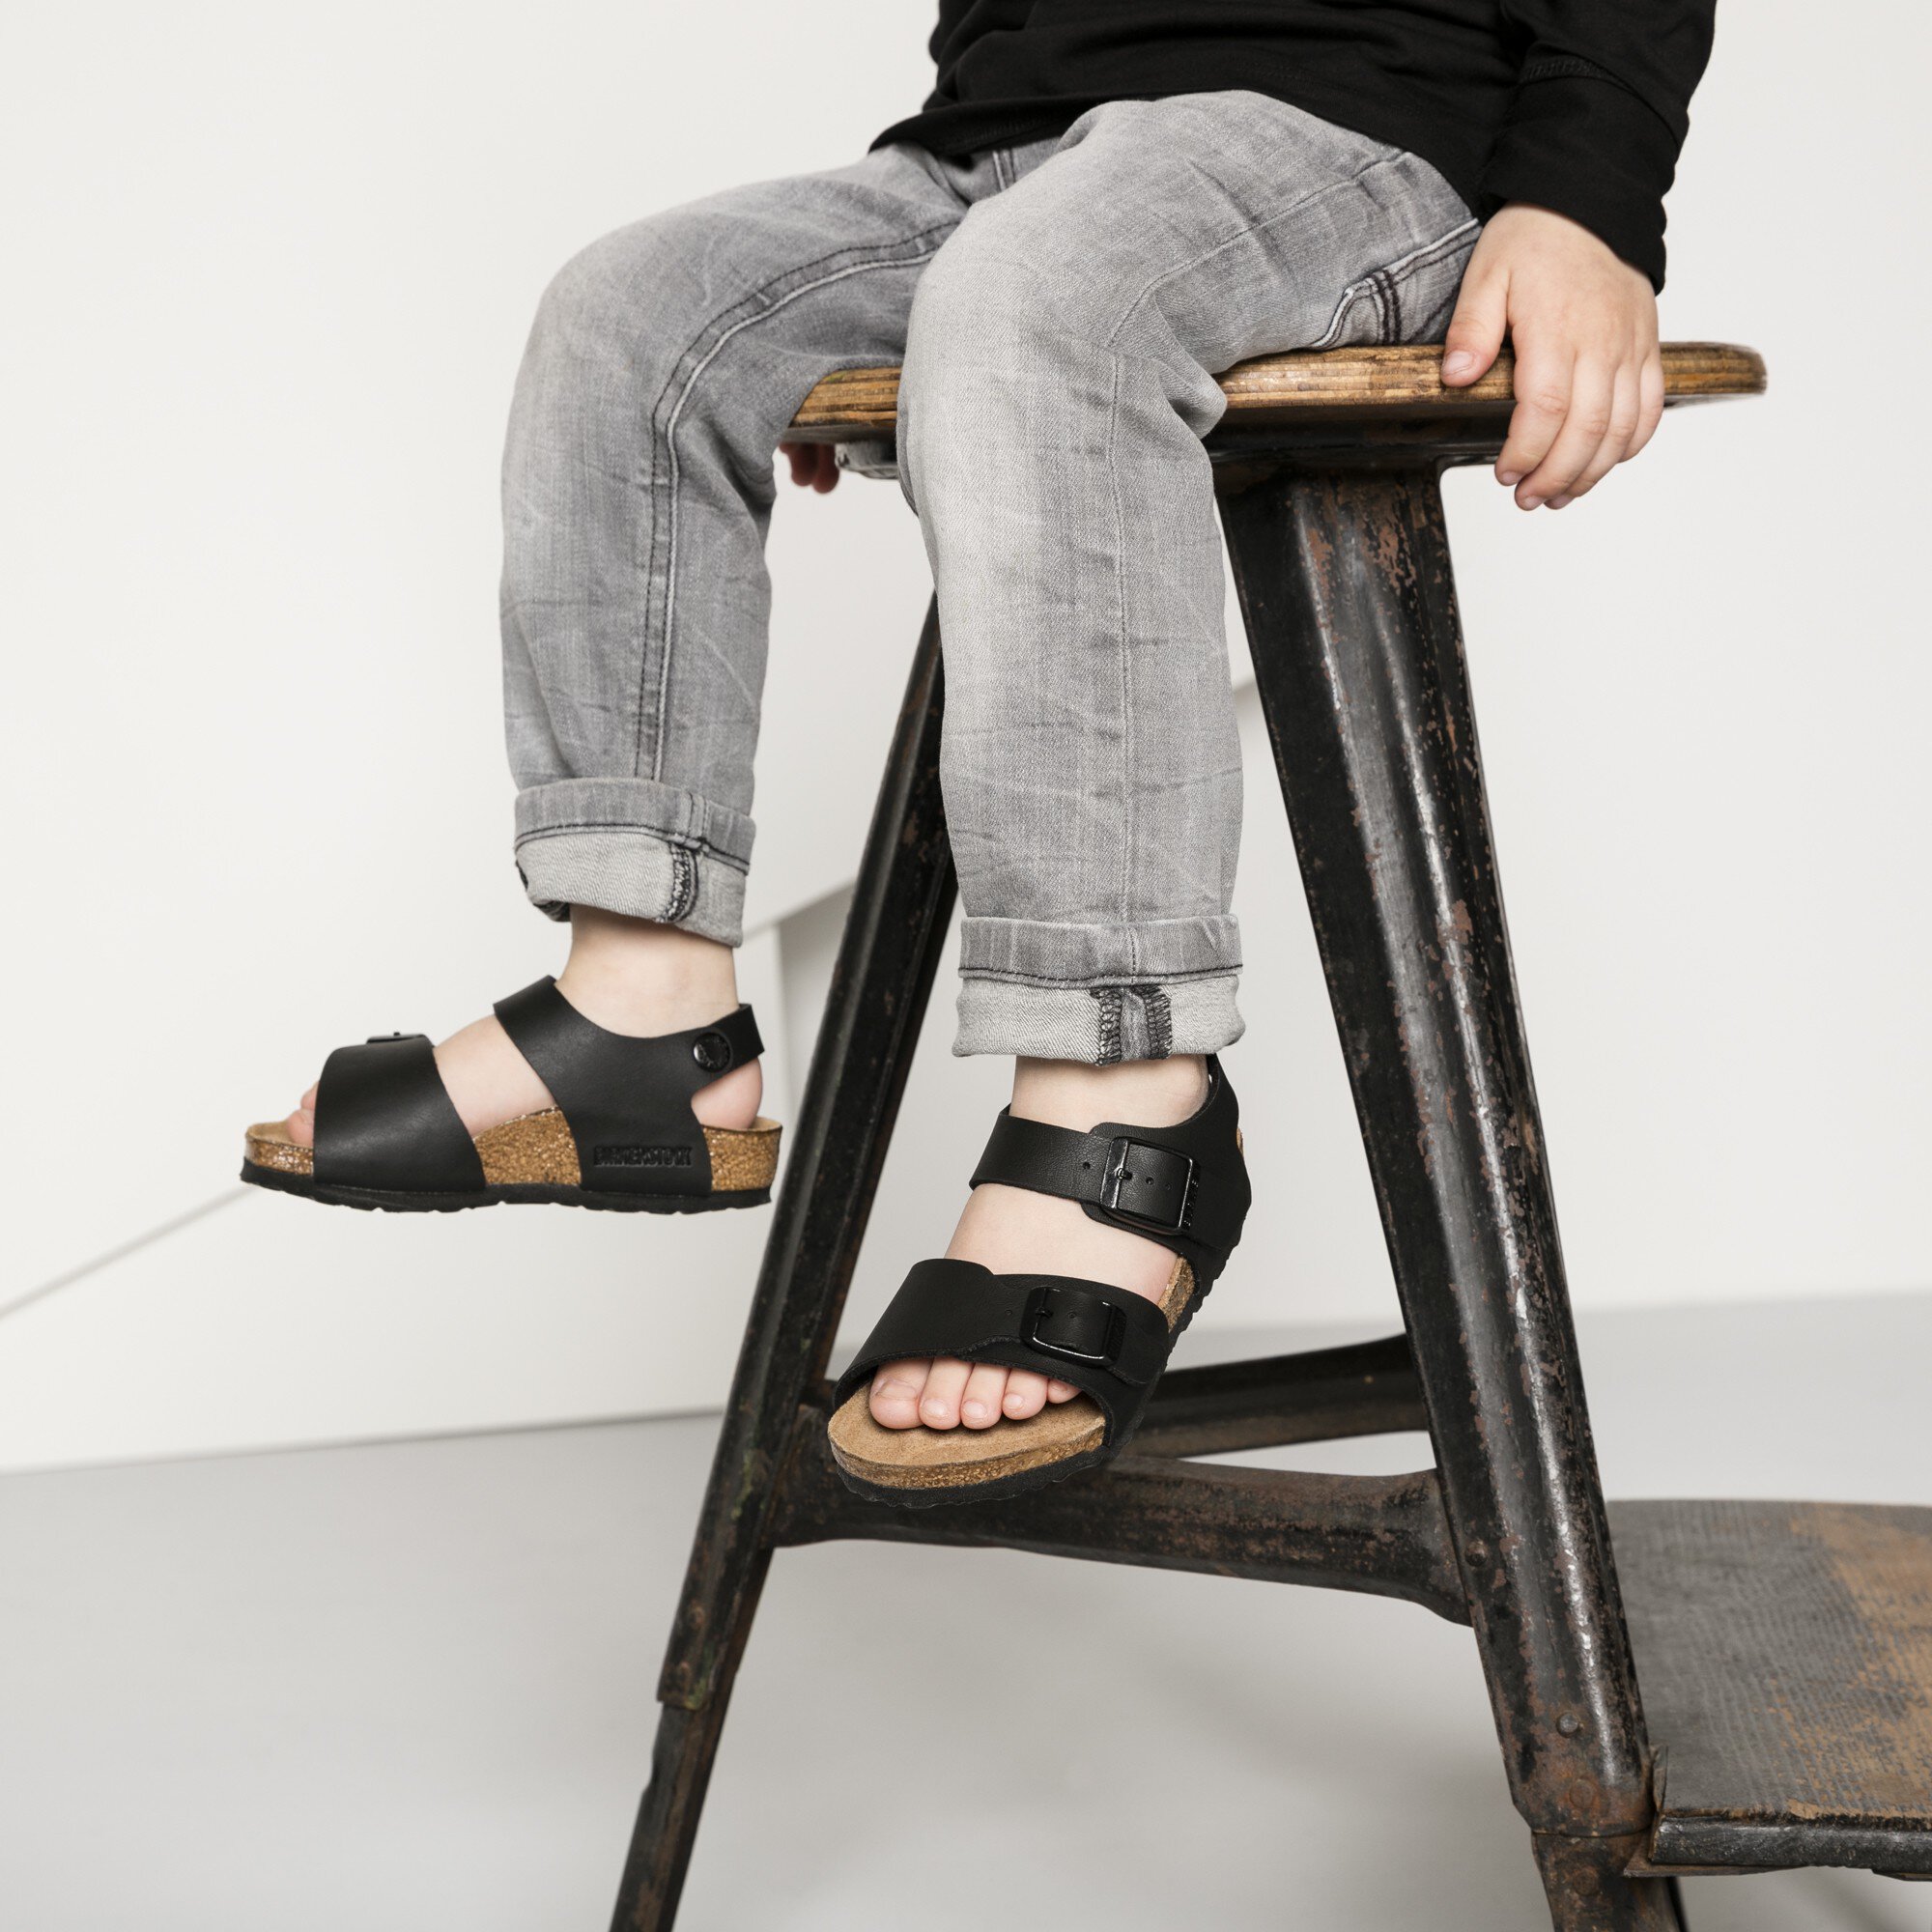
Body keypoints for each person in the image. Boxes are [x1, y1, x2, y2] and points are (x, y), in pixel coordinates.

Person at [241, 1, 1716, 1504]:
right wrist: (929, 252)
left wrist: (1585, 191)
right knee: (632, 312)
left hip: (1364, 134)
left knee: (1037, 307)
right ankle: (644, 1006)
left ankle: (1127, 1091)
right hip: (1005, 156)